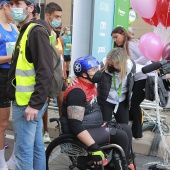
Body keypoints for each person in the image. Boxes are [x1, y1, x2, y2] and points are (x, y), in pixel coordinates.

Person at [60, 56, 132, 167]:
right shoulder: (77, 92)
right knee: (120, 136)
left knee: (126, 129)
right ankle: (120, 165)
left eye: (97, 68)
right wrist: (93, 146)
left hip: (93, 127)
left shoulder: (90, 83)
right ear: (84, 74)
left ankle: (122, 163)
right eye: (93, 70)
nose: (98, 71)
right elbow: (75, 125)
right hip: (80, 131)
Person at [7, 0, 54, 169]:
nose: (13, 8)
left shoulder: (35, 32)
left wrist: (34, 104)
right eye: (11, 4)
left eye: (17, 3)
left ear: (31, 7)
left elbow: (45, 70)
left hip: (27, 103)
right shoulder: (28, 30)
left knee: (23, 151)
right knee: (35, 147)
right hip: (31, 101)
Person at [111, 26, 151, 138]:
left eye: (116, 37)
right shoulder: (123, 47)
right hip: (135, 78)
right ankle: (133, 129)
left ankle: (137, 133)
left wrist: (133, 64)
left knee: (134, 104)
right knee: (132, 104)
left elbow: (146, 56)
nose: (115, 40)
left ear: (123, 34)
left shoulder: (131, 43)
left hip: (143, 77)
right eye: (113, 38)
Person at [0, 0, 18, 169]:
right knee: (3, 123)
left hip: (14, 76)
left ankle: (13, 159)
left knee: (14, 120)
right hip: (1, 76)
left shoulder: (14, 27)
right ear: (5, 6)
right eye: (14, 7)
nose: (17, 11)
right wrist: (12, 57)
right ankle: (1, 162)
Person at [97, 48, 135, 125]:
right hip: (106, 100)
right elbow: (88, 74)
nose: (110, 66)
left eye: (113, 65)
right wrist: (74, 77)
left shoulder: (131, 66)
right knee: (105, 126)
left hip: (122, 100)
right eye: (109, 64)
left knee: (124, 126)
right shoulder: (102, 65)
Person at [42, 2, 62, 143]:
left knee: (61, 103)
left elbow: (57, 58)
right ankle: (45, 131)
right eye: (56, 16)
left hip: (56, 77)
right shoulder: (40, 32)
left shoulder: (54, 34)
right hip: (44, 78)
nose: (59, 20)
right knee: (43, 107)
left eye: (60, 17)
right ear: (47, 16)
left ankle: (60, 131)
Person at [53, 22, 68, 117]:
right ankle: (45, 130)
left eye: (60, 27)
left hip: (61, 76)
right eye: (57, 27)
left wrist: (65, 77)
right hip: (50, 75)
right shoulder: (47, 38)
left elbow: (63, 60)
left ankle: (61, 125)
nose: (59, 29)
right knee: (45, 105)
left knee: (61, 103)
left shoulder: (61, 40)